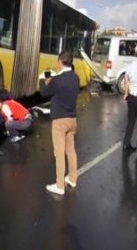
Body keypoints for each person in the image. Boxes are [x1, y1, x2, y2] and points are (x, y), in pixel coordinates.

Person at [40, 50, 79, 196]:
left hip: (59, 121)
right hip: (72, 120)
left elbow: (44, 92)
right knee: (71, 150)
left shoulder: (57, 80)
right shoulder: (75, 78)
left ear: (60, 62)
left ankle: (60, 185)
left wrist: (42, 79)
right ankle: (72, 178)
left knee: (59, 153)